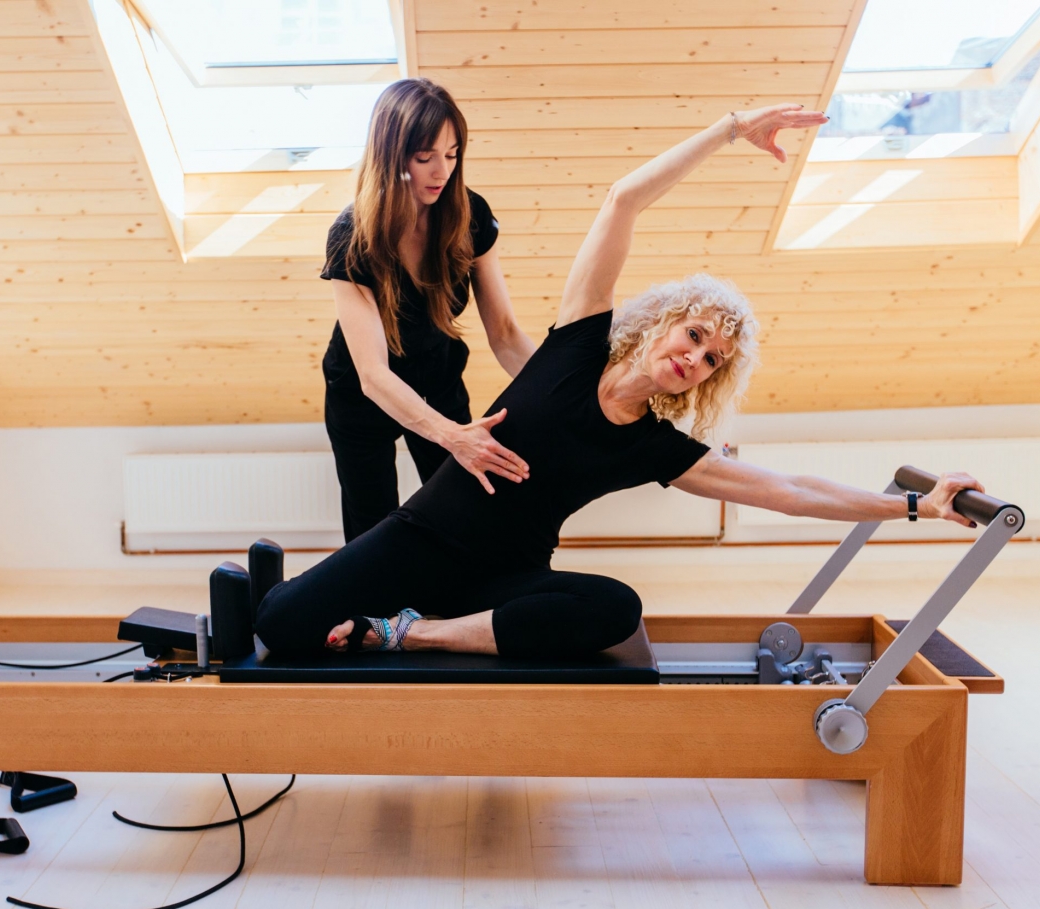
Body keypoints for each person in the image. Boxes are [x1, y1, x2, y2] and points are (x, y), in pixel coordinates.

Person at [257, 103, 985, 660]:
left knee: (614, 606)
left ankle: (418, 635)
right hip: (426, 538)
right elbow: (624, 200)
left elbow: (789, 491)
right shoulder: (576, 344)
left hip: (500, 580)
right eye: (695, 335)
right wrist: (731, 128)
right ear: (665, 320)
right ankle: (298, 590)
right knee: (281, 625)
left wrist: (913, 507)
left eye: (711, 362)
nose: (695, 358)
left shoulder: (653, 445)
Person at [322, 77, 534, 543]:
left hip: (436, 378)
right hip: (362, 398)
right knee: (371, 534)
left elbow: (505, 332)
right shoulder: (351, 235)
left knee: (466, 513)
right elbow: (373, 375)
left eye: (452, 154)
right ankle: (376, 619)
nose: (442, 171)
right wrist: (454, 437)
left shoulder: (470, 215)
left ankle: (453, 615)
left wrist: (565, 386)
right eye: (425, 157)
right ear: (392, 156)